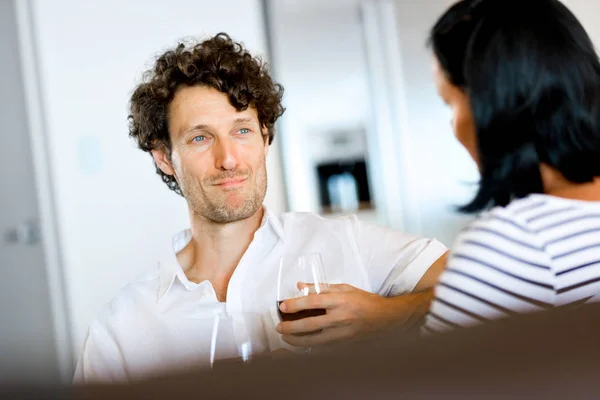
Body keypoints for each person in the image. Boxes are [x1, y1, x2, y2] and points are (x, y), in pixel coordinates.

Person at [74, 33, 448, 383]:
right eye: (201, 137)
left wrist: (387, 317)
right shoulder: (121, 328)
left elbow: (495, 287)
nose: (229, 159)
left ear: (265, 138)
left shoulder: (346, 242)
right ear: (165, 158)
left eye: (242, 131)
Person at [424, 0, 600, 333]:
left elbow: (435, 383)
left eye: (451, 104)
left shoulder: (517, 240)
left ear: (490, 104)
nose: (454, 126)